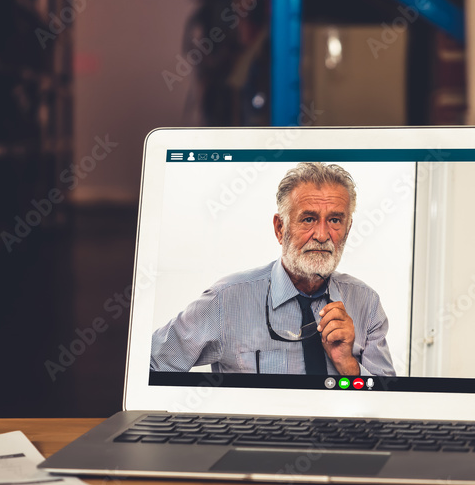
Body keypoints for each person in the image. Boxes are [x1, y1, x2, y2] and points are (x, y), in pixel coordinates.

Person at [150, 162, 395, 377]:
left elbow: (389, 404)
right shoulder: (226, 300)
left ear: (348, 229)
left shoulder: (367, 305)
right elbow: (150, 366)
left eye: (334, 221)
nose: (322, 235)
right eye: (308, 219)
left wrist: (348, 364)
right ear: (280, 228)